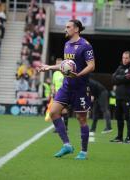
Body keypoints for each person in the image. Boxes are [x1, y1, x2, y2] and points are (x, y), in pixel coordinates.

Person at [37, 19, 95, 160]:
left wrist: (79, 74)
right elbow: (65, 65)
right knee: (53, 112)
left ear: (76, 29)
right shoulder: (67, 44)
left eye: (68, 27)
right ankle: (67, 145)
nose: (66, 29)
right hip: (67, 86)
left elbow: (92, 65)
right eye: (65, 27)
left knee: (81, 119)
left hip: (81, 88)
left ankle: (84, 152)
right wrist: (49, 67)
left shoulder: (85, 45)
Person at [110, 51, 130, 144]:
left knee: (128, 117)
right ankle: (119, 137)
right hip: (118, 96)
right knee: (118, 117)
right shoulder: (120, 67)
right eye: (123, 58)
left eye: (126, 58)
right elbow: (113, 78)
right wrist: (122, 78)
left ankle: (128, 138)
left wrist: (119, 78)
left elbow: (129, 77)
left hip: (127, 97)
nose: (124, 60)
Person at [52, 58, 69, 131]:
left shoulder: (65, 72)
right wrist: (52, 91)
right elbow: (53, 84)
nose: (58, 65)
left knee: (63, 110)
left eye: (59, 63)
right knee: (56, 111)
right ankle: (60, 127)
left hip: (64, 93)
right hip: (56, 94)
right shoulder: (55, 73)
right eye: (57, 63)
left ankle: (65, 127)